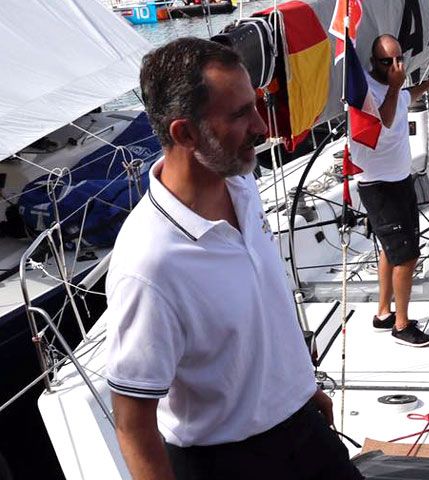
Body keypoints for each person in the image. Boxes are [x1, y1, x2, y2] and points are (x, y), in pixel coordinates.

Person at [104, 37, 362, 480]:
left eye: (255, 105)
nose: (262, 127)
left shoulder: (242, 185)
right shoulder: (150, 263)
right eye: (240, 114)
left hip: (303, 426)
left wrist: (300, 387)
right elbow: (133, 424)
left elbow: (265, 302)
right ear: (185, 133)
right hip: (227, 463)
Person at [350, 34, 429, 347]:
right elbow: (387, 120)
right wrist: (395, 85)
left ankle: (383, 313)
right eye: (387, 61)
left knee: (388, 251)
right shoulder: (366, 91)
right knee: (406, 256)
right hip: (379, 187)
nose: (396, 66)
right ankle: (402, 325)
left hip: (399, 180)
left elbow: (407, 95)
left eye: (399, 59)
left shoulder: (394, 88)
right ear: (371, 63)